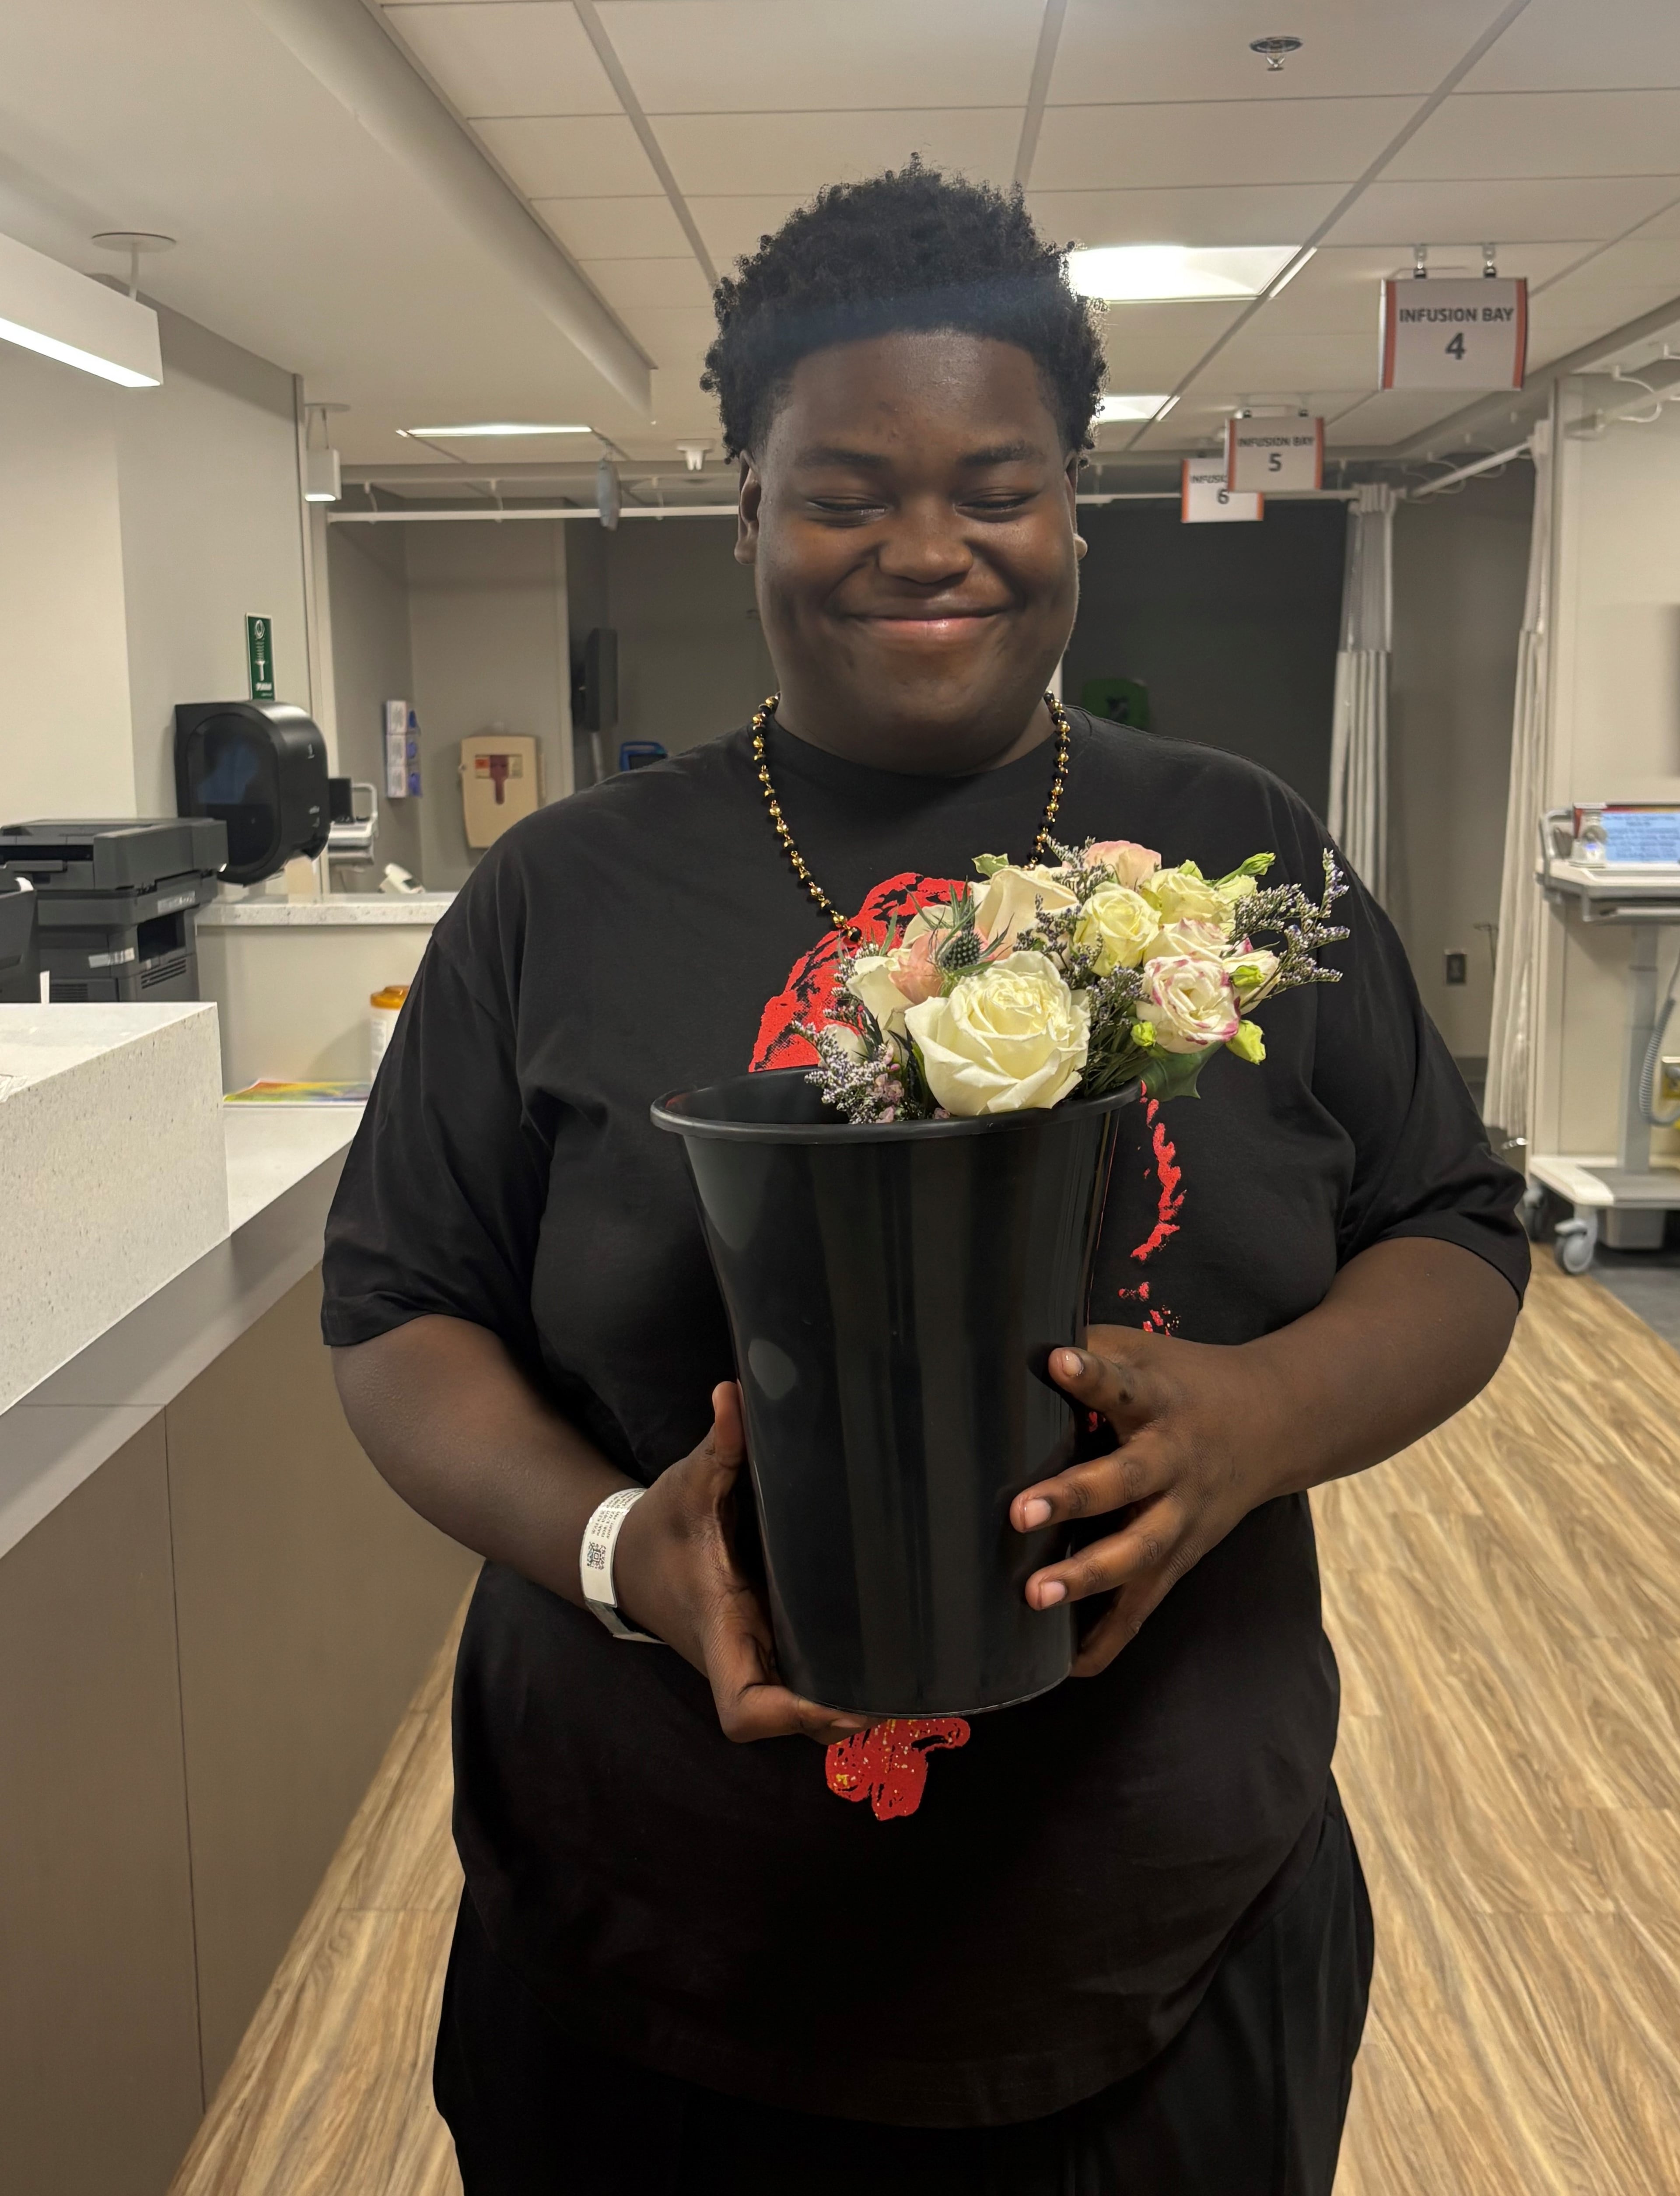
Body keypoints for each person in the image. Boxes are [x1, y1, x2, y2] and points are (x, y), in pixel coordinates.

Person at [322, 165, 1525, 2196]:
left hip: (1163, 1950)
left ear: (1074, 514)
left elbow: (1454, 1227)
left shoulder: (1231, 855)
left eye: (997, 485)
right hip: (652, 1961)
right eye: (845, 492)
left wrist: (1254, 1421)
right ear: (748, 515)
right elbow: (396, 1306)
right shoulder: (559, 896)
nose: (927, 544)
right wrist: (618, 1550)